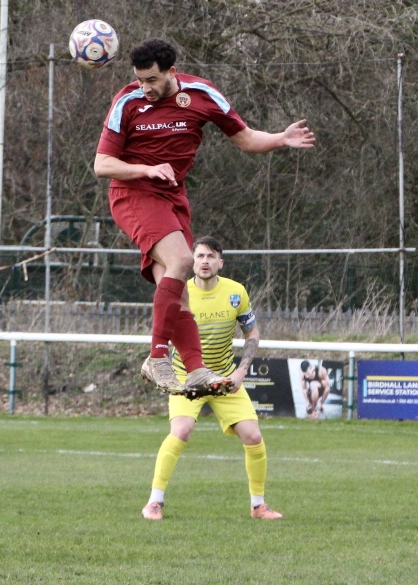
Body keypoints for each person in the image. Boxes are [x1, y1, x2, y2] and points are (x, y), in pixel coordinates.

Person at [94, 38, 315, 395]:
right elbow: (102, 164)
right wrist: (146, 169)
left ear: (171, 71)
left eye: (152, 79)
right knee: (184, 261)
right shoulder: (127, 102)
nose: (144, 87)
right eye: (139, 79)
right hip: (133, 194)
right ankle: (157, 358)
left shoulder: (201, 94)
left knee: (177, 290)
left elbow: (246, 139)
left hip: (172, 198)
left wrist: (280, 139)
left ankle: (196, 370)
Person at [142, 236, 283, 522]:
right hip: (186, 376)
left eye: (211, 256)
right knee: (180, 431)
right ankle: (154, 502)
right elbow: (163, 328)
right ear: (191, 261)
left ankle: (258, 506)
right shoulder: (180, 291)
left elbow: (252, 333)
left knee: (254, 436)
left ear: (221, 262)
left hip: (222, 378)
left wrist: (240, 371)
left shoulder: (236, 292)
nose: (204, 261)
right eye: (200, 256)